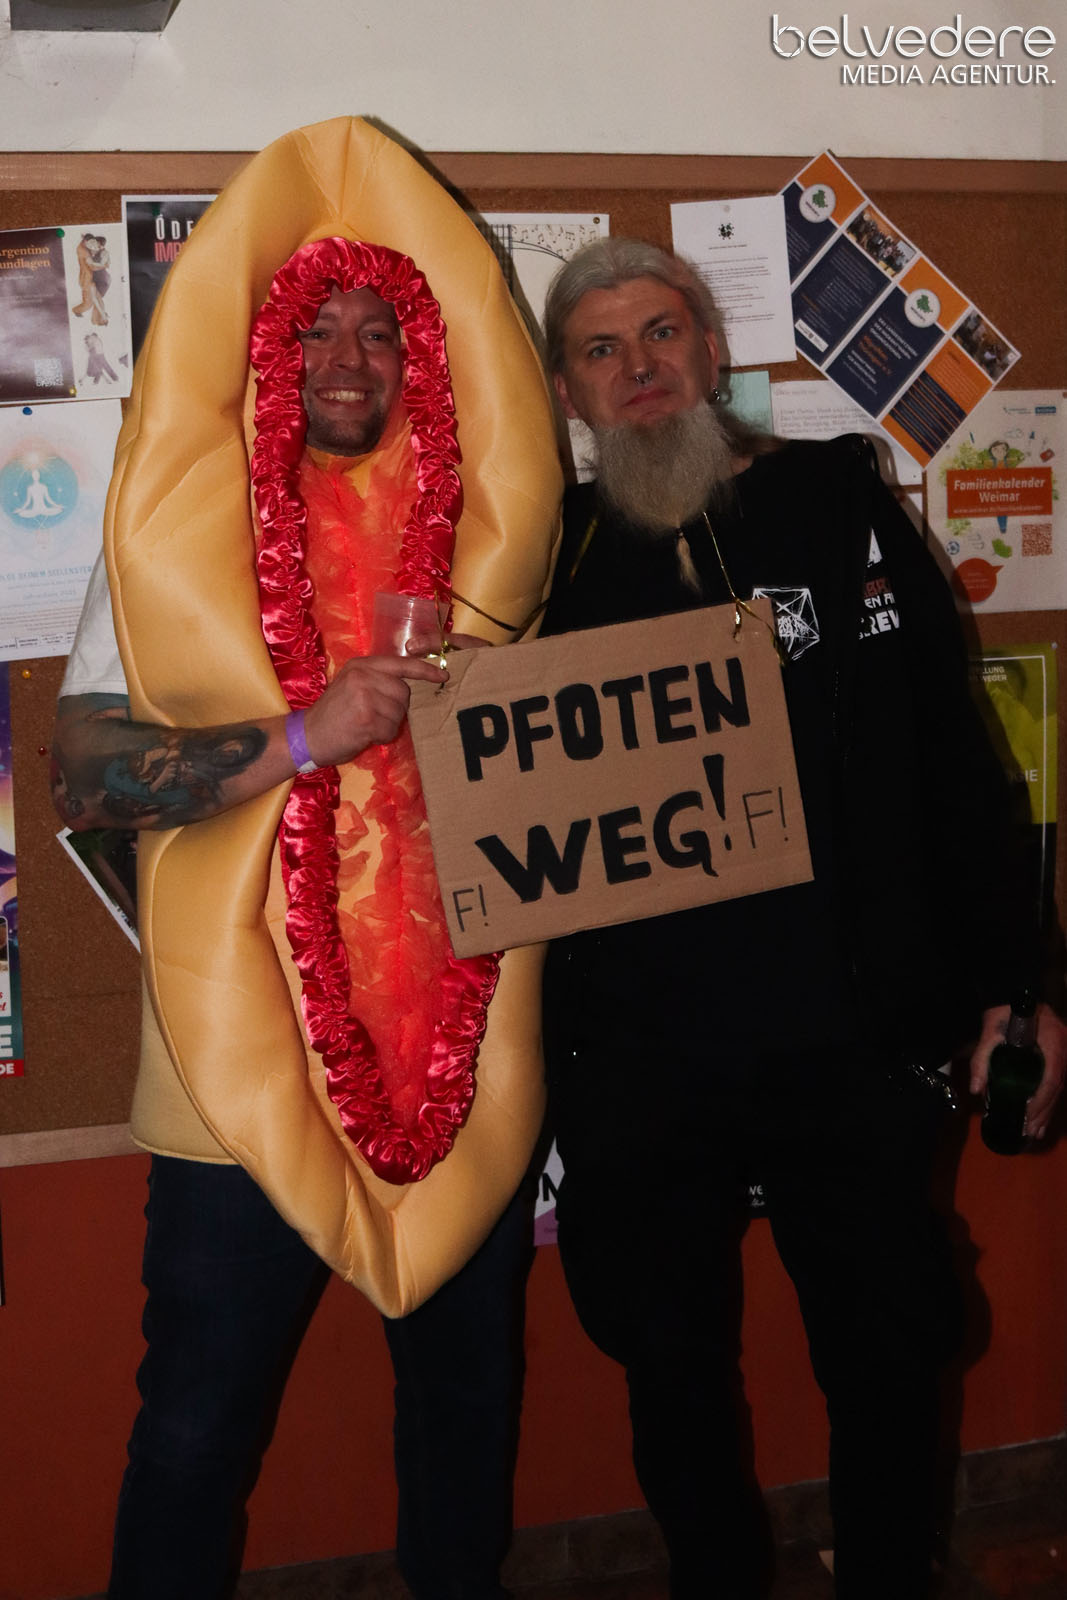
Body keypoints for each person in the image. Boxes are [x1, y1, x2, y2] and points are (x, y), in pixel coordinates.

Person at [50, 119, 560, 1600]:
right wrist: (301, 734)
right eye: (315, 326)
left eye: (380, 332)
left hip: (457, 1056)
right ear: (266, 350)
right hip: (233, 1073)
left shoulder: (488, 559)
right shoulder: (171, 543)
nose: (348, 359)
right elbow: (84, 772)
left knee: (466, 1414)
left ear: (424, 362)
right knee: (197, 1428)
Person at [538, 237, 1066, 1600]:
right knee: (668, 1365)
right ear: (567, 391)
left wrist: (1021, 985)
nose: (639, 366)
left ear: (713, 352)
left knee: (891, 1350)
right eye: (602, 349)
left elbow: (957, 763)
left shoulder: (836, 505)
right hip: (641, 1064)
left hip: (851, 1037)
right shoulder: (537, 563)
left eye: (663, 332)